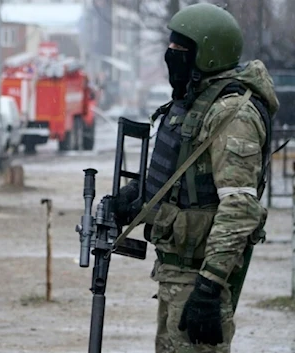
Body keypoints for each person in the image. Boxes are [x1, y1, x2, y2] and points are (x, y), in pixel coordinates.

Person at [110, 3, 279, 353]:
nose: (171, 57)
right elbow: (182, 177)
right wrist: (138, 197)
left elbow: (240, 208)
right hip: (176, 273)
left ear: (208, 56)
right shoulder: (195, 102)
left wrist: (209, 287)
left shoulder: (233, 114)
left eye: (180, 51)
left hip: (198, 278)